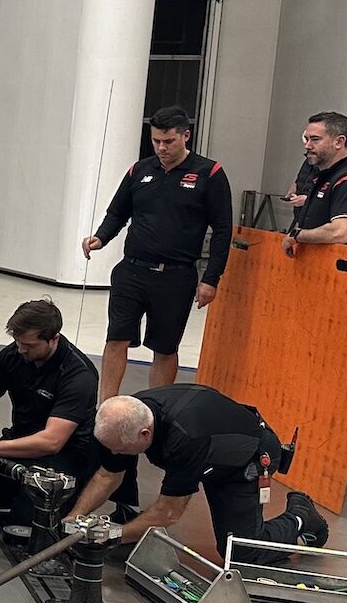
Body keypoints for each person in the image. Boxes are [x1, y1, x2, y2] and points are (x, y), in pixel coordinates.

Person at [69, 386, 328, 564]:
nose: (114, 453)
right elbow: (107, 475)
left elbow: (169, 512)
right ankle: (125, 518)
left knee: (241, 551)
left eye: (120, 449)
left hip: (247, 459)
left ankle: (301, 516)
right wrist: (73, 518)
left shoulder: (185, 438)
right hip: (210, 448)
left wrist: (112, 535)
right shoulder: (128, 415)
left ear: (145, 434)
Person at [80, 106, 233, 399]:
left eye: (169, 141)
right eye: (156, 142)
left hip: (176, 277)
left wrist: (211, 278)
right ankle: (106, 406)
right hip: (132, 271)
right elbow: (117, 212)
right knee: (116, 339)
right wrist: (100, 237)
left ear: (186, 136)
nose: (161, 148)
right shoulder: (139, 170)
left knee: (165, 347)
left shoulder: (209, 173)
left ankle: (157, 408)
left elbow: (223, 231)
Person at [282, 111, 347, 482]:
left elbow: (341, 232)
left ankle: (346, 455)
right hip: (319, 291)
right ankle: (319, 444)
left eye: (314, 140)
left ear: (339, 142)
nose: (306, 145)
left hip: (346, 298)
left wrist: (299, 237)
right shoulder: (323, 178)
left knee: (336, 378)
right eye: (306, 139)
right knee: (311, 372)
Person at [0, 299, 105, 525]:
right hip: (21, 438)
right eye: (17, 341)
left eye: (30, 345)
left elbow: (52, 441)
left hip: (63, 455)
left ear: (54, 338)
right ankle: (20, 491)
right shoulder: (12, 355)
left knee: (26, 523)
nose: (21, 349)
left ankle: (59, 497)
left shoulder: (79, 376)